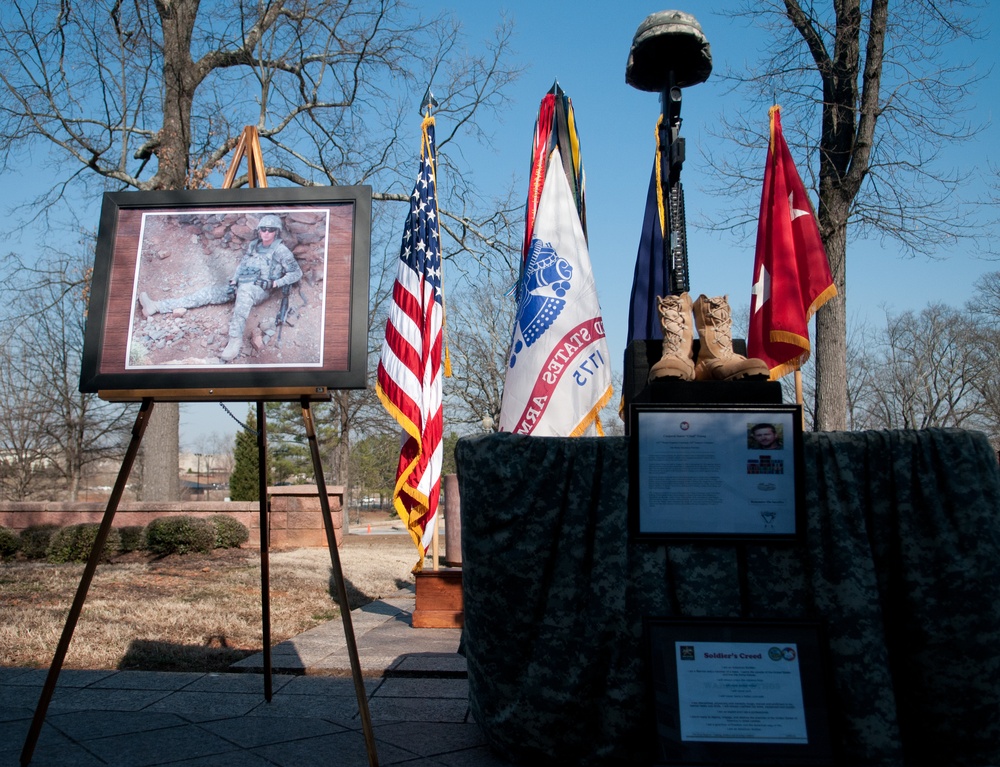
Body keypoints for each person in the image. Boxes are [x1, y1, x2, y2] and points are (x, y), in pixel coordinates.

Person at [138, 214, 302, 361]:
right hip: (242, 283)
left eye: (270, 230)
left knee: (244, 294)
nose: (266, 233)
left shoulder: (281, 251)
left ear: (276, 232)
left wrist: (275, 283)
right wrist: (234, 280)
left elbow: (296, 273)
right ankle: (157, 306)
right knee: (208, 293)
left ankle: (235, 339)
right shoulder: (253, 246)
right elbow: (243, 264)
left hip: (260, 289)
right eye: (263, 229)